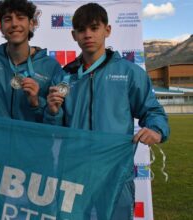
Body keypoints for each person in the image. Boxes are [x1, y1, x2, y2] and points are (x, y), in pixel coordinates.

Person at [44, 3, 170, 219]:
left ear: (107, 30)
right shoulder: (65, 76)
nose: (88, 35)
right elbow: (55, 130)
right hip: (74, 172)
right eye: (82, 30)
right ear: (74, 35)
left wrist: (156, 129)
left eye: (94, 28)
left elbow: (153, 111)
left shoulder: (128, 72)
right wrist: (53, 111)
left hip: (115, 173)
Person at [0, 0, 63, 122]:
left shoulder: (51, 67)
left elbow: (56, 122)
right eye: (8, 19)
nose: (14, 24)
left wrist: (36, 102)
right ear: (1, 27)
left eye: (20, 18)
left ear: (31, 24)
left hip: (31, 140)